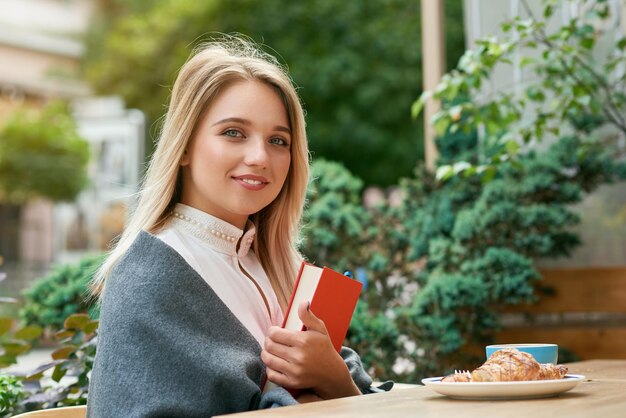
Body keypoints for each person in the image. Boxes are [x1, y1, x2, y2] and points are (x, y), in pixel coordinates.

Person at [87, 36, 385, 417]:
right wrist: (305, 395)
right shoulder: (149, 278)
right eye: (233, 133)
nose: (260, 157)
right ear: (183, 147)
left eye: (278, 140)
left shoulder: (282, 271)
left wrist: (335, 379)